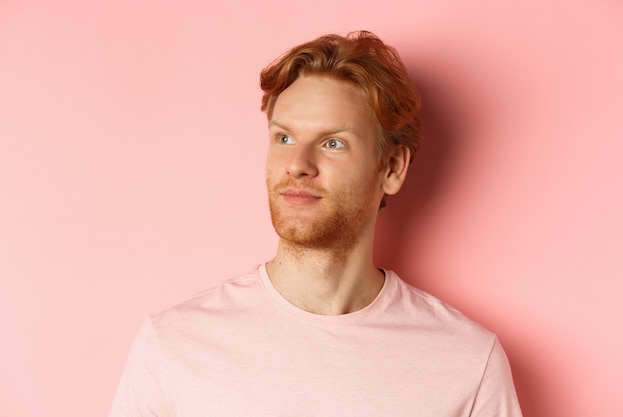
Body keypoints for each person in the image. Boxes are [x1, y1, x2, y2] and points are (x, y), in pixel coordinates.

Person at [109, 31, 523, 417]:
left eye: (333, 143)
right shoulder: (174, 345)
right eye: (284, 138)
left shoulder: (466, 361)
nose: (298, 165)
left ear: (392, 168)